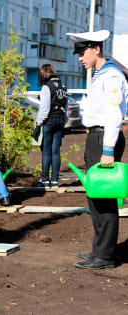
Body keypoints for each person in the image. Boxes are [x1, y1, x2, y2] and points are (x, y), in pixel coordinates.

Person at [67, 30, 127, 269]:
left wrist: (109, 149)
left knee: (105, 199)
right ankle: (99, 251)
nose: (80, 58)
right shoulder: (101, 74)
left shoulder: (111, 76)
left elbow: (114, 116)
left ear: (96, 49)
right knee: (96, 197)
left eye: (82, 52)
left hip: (105, 138)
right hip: (97, 137)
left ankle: (105, 256)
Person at [32, 64, 68, 189]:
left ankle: (45, 181)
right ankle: (55, 181)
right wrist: (64, 122)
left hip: (49, 121)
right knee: (56, 152)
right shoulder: (63, 87)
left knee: (46, 151)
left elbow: (44, 108)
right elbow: (65, 107)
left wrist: (38, 124)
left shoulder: (47, 87)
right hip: (60, 121)